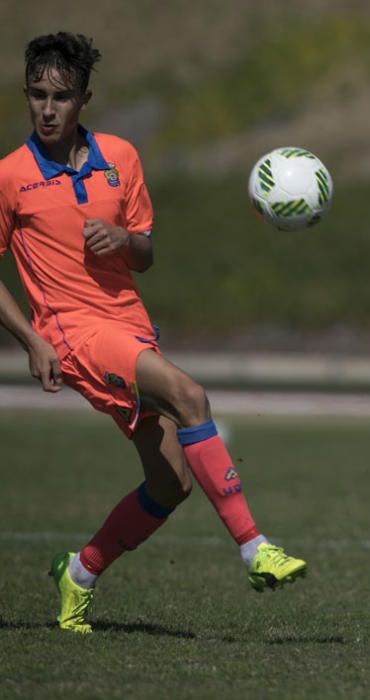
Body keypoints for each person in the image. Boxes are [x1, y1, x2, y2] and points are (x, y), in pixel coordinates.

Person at [0, 33, 307, 635]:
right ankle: (255, 548)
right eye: (36, 95)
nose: (47, 109)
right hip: (74, 332)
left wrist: (123, 241)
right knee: (191, 396)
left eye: (60, 96)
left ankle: (80, 573)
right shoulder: (10, 176)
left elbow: (144, 253)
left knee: (170, 484)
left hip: (131, 327)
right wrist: (32, 341)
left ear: (85, 97)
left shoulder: (122, 157)